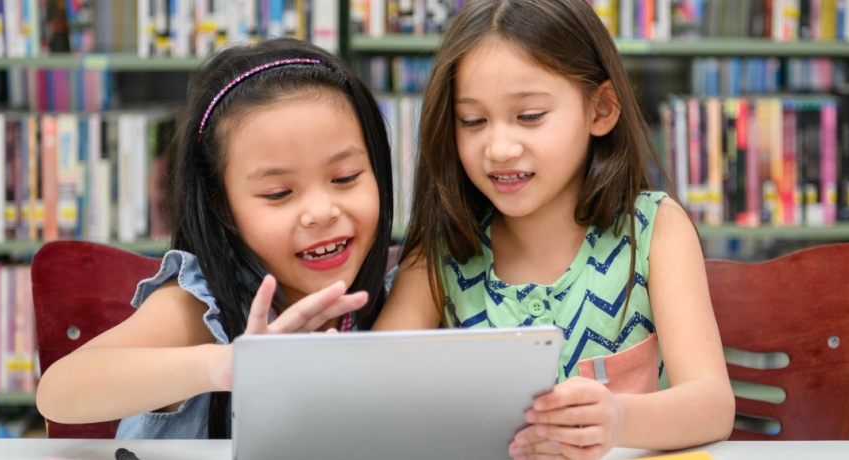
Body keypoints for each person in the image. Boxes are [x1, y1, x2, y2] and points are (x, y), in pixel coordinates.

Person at [374, 0, 735, 457]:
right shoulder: (440, 253)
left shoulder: (654, 228)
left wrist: (619, 419)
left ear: (600, 110)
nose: (499, 147)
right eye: (473, 121)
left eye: (529, 116)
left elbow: (713, 404)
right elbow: (378, 392)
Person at [36, 37, 395, 440]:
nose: (321, 212)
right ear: (221, 206)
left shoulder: (399, 301)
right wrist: (225, 365)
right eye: (279, 193)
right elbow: (59, 391)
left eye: (345, 178)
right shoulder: (200, 309)